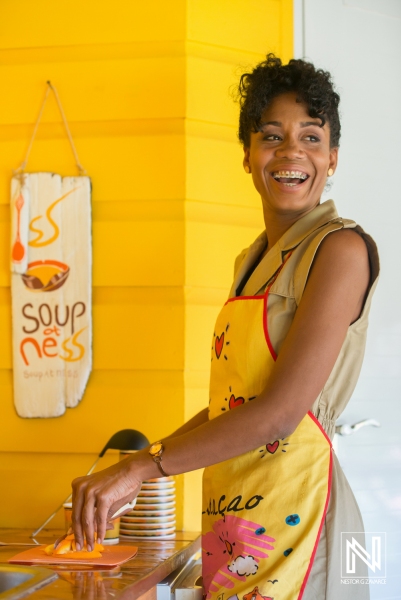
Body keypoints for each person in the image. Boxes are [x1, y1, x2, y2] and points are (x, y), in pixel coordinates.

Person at [71, 54, 379, 599]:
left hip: (301, 526)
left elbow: (279, 415)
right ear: (247, 155)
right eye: (271, 135)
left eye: (311, 137)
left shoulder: (340, 249)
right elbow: (232, 408)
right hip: (237, 524)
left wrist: (144, 468)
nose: (291, 152)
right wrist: (138, 469)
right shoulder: (252, 261)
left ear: (333, 158)